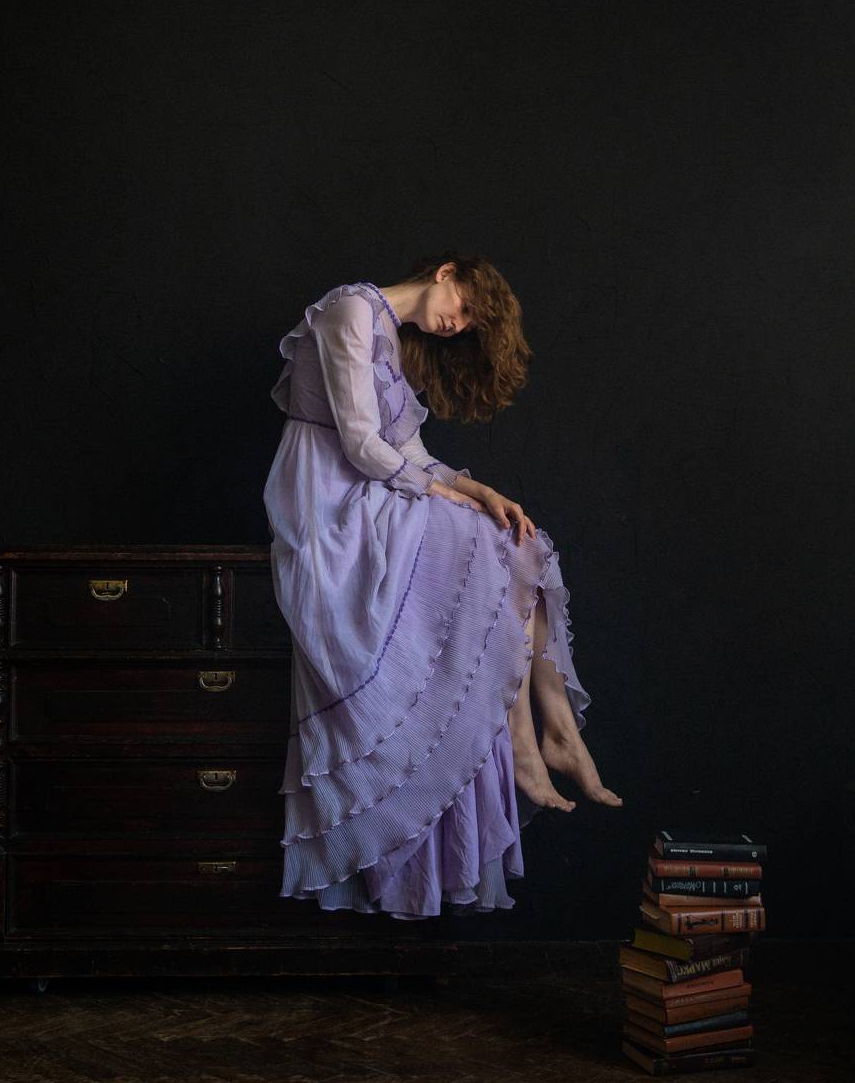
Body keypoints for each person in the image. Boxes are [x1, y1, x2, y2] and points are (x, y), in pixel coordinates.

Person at [263, 254, 621, 921]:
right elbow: (361, 445)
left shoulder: (393, 339)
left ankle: (553, 731)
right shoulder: (349, 310)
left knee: (517, 540)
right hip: (327, 499)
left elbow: (412, 454)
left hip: (370, 489)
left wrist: (481, 491)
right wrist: (449, 499)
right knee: (489, 544)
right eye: (463, 308)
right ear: (445, 272)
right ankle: (529, 745)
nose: (457, 324)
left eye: (469, 326)